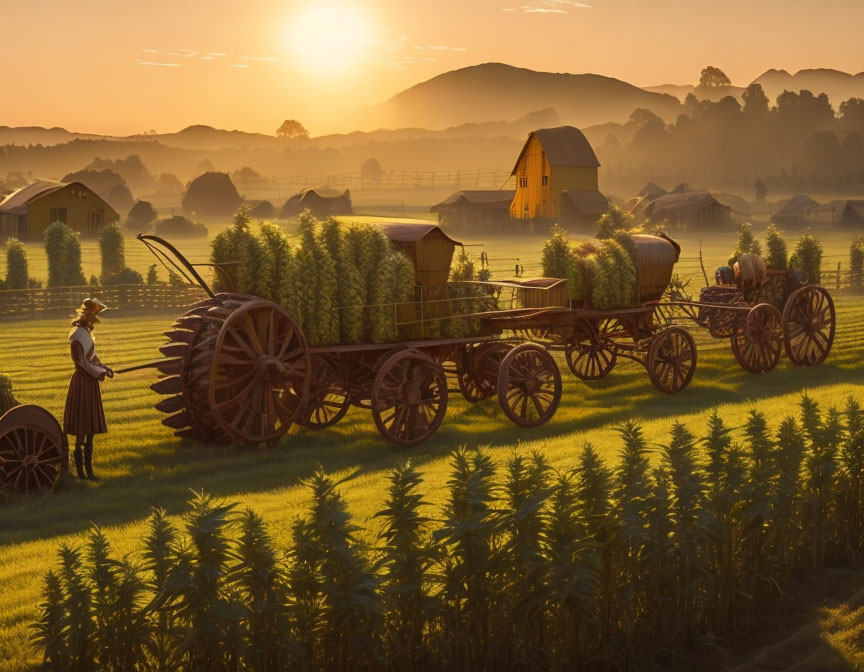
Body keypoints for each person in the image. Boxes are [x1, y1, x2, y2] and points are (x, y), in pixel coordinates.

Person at [63, 298, 113, 480]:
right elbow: (82, 361)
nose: (93, 321)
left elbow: (92, 356)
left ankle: (89, 471)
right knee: (82, 427)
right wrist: (97, 373)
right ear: (86, 317)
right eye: (92, 317)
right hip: (83, 383)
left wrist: (104, 368)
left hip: (90, 383)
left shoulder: (85, 333)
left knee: (90, 427)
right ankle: (82, 473)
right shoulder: (76, 335)